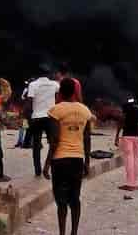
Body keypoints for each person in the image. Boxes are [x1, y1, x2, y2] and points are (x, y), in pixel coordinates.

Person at [45, 78, 92, 235]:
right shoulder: (85, 111)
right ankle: (74, 232)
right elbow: (87, 138)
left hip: (60, 160)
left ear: (61, 92)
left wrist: (46, 164)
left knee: (61, 201)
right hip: (77, 159)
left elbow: (55, 140)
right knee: (75, 198)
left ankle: (62, 233)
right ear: (74, 91)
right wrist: (87, 162)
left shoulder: (55, 110)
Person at [27, 69, 60, 177]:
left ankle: (37, 170)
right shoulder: (54, 84)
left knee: (36, 145)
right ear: (48, 75)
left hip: (37, 118)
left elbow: (30, 101)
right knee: (53, 143)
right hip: (51, 117)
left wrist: (29, 116)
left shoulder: (33, 85)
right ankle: (52, 167)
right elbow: (58, 94)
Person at [115, 96, 138, 191]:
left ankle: (130, 184)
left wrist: (117, 135)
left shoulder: (126, 106)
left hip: (127, 135)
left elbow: (121, 121)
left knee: (128, 158)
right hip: (137, 135)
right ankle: (135, 182)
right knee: (135, 158)